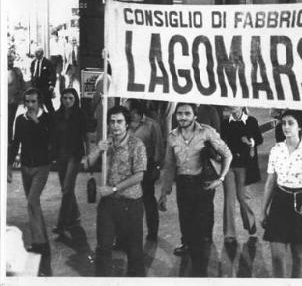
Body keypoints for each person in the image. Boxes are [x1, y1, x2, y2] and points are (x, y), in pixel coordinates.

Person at [159, 103, 232, 276]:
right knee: (186, 222)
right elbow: (169, 166)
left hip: (203, 185)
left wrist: (220, 179)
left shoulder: (207, 132)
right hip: (183, 184)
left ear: (195, 115)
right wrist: (164, 192)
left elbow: (227, 154)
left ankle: (200, 269)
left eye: (187, 113)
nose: (183, 117)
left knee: (200, 227)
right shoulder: (172, 136)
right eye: (179, 114)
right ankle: (191, 251)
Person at [261, 109, 302, 278]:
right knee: (276, 255)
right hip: (280, 202)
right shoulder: (276, 149)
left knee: (299, 254)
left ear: (300, 127)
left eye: (291, 123)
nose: (286, 127)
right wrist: (263, 210)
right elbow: (270, 182)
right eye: (284, 123)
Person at [83, 105, 146, 276]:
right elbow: (87, 164)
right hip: (108, 204)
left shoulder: (136, 144)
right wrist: (98, 150)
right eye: (112, 122)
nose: (115, 125)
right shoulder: (106, 141)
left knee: (134, 251)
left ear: (127, 124)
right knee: (103, 247)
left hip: (131, 203)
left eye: (119, 121)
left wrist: (114, 188)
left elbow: (139, 175)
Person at [9, 88, 55, 255]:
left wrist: (36, 122)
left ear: (39, 102)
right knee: (34, 203)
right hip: (25, 167)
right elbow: (15, 143)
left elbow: (50, 140)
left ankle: (39, 243)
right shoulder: (20, 120)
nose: (30, 105)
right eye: (27, 101)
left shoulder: (47, 118)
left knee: (32, 201)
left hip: (42, 166)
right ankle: (41, 238)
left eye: (33, 101)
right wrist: (8, 166)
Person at [221, 106, 263, 243]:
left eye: (235, 102)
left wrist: (251, 141)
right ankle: (229, 234)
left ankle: (251, 226)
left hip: (245, 166)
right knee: (229, 198)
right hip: (229, 165)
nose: (232, 105)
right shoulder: (225, 122)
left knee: (243, 197)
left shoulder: (251, 121)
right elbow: (221, 142)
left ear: (242, 104)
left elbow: (259, 139)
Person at [127, 99, 164, 241]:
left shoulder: (152, 125)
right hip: (127, 167)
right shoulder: (126, 124)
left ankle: (152, 232)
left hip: (146, 166)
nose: (132, 115)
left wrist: (157, 166)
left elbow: (158, 147)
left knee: (148, 199)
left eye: (134, 112)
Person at [52, 88, 88, 234]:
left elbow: (85, 136)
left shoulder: (80, 115)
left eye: (70, 98)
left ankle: (62, 223)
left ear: (75, 99)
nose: (67, 101)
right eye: (65, 98)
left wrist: (87, 156)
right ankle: (75, 215)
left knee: (67, 188)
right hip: (61, 155)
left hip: (75, 155)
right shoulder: (57, 115)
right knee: (66, 189)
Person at [30, 47, 56, 113]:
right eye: (35, 52)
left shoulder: (47, 62)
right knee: (37, 104)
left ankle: (53, 119)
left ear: (42, 53)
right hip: (36, 86)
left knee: (48, 104)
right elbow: (32, 73)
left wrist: (52, 85)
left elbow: (52, 74)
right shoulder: (33, 62)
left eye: (38, 52)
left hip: (45, 86)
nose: (36, 54)